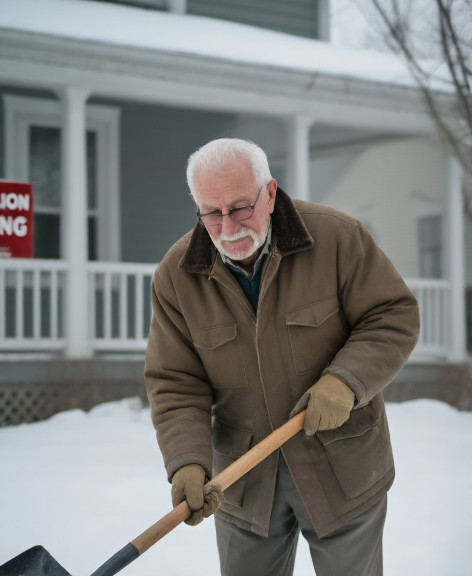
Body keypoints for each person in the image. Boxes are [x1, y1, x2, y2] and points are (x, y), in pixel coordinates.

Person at [144, 138, 420, 576]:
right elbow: (176, 381)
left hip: (342, 469)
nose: (228, 227)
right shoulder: (177, 276)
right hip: (243, 480)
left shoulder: (336, 239)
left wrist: (345, 382)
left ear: (270, 193)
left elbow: (392, 315)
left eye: (240, 208)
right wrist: (188, 462)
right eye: (211, 213)